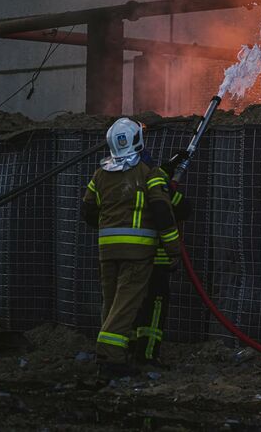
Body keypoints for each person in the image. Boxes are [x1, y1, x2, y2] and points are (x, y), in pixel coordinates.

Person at [81, 118, 181, 380]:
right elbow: (162, 211)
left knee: (112, 303)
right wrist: (173, 248)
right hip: (137, 254)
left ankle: (110, 354)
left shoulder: (100, 174)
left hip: (107, 251)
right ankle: (111, 356)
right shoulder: (148, 173)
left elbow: (88, 210)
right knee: (126, 304)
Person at [130, 150, 190, 368]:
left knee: (130, 305)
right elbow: (181, 209)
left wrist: (167, 170)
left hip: (129, 260)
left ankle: (129, 350)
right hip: (155, 260)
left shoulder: (123, 184)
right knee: (154, 306)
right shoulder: (156, 186)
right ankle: (147, 355)